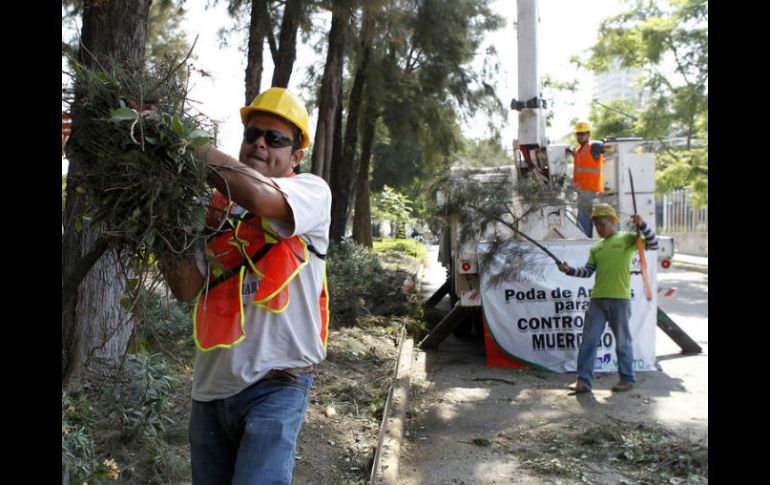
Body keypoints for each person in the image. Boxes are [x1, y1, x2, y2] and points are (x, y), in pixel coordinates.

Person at [160, 87, 331, 484]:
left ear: (296, 155)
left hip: (277, 384)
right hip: (211, 388)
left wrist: (184, 141)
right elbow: (187, 288)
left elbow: (259, 195)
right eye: (253, 133)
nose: (259, 142)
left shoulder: (310, 193)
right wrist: (164, 216)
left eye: (274, 138)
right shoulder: (214, 208)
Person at [556, 203, 658, 394]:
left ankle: (627, 379)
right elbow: (587, 272)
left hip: (620, 299)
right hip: (597, 300)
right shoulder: (597, 247)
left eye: (602, 225)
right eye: (596, 226)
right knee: (588, 341)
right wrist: (569, 270)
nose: (599, 229)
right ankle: (583, 382)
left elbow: (653, 243)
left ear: (613, 222)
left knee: (622, 342)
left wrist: (642, 224)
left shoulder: (627, 238)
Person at [568, 120, 605, 237]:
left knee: (583, 217)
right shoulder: (578, 150)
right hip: (582, 190)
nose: (580, 136)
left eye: (582, 134)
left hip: (590, 189)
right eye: (578, 134)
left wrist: (601, 145)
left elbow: (601, 146)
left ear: (588, 134)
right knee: (584, 216)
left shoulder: (593, 147)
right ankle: (585, 239)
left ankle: (583, 239)